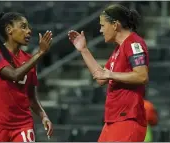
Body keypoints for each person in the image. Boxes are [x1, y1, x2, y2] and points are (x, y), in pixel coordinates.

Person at [68, 4, 149, 142]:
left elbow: (142, 76)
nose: (101, 30)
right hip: (113, 120)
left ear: (115, 25)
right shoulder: (118, 49)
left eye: (103, 25)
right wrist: (83, 50)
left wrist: (110, 74)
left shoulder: (134, 44)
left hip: (128, 119)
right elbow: (101, 77)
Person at [0, 12, 53, 142]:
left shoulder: (29, 60)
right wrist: (40, 53)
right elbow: (14, 74)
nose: (29, 31)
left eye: (29, 27)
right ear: (9, 30)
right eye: (23, 27)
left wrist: (43, 116)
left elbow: (31, 97)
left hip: (22, 125)